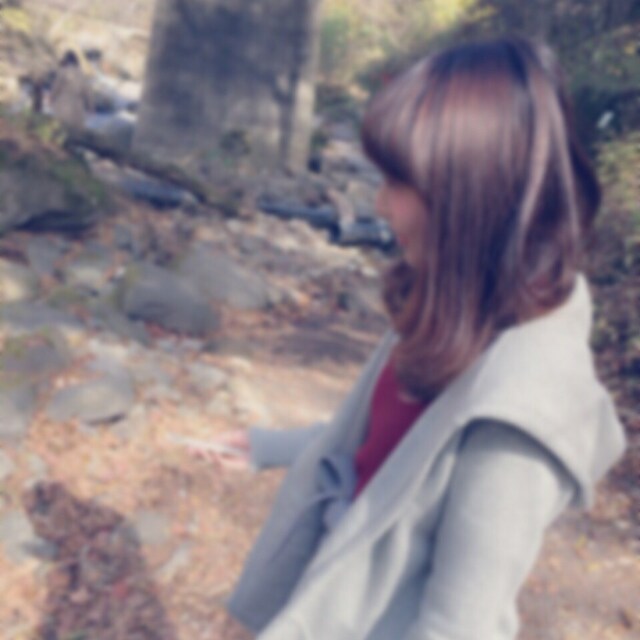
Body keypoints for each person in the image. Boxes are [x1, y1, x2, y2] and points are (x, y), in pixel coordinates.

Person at [199, 36, 627, 639]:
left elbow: (461, 625)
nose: (379, 204)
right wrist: (267, 446)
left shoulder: (520, 415)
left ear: (473, 195)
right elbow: (394, 451)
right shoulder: (456, 302)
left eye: (397, 182)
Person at [49, 50, 93, 131]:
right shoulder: (81, 74)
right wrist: (90, 106)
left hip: (63, 104)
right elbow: (87, 92)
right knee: (75, 130)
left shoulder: (63, 72)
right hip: (77, 107)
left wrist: (51, 98)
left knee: (62, 129)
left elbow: (56, 88)